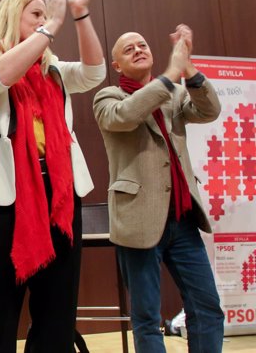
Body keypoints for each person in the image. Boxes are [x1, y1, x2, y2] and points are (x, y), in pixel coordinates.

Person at [0, 0, 106, 353]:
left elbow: (94, 73)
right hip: (5, 201)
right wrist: (50, 26)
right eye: (36, 14)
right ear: (11, 18)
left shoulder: (52, 69)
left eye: (46, 12)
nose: (45, 19)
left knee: (58, 316)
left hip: (60, 198)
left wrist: (79, 14)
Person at [92, 25, 225, 353]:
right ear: (117, 66)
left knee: (207, 308)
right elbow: (127, 115)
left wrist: (187, 65)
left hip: (182, 220)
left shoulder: (176, 94)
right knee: (147, 318)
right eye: (128, 49)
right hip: (138, 222)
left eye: (142, 44)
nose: (138, 49)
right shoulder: (108, 97)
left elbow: (210, 110)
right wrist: (170, 74)